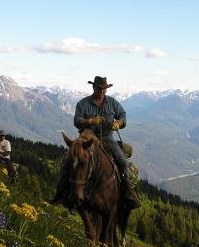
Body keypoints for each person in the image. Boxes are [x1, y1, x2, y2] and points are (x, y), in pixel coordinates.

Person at [53, 76, 141, 209]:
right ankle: (61, 194)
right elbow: (77, 121)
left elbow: (123, 115)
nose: (102, 91)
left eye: (104, 89)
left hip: (107, 137)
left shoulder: (112, 102)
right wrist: (90, 121)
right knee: (68, 161)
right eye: (99, 89)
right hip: (86, 139)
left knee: (122, 162)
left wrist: (118, 123)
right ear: (94, 88)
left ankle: (127, 192)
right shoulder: (83, 104)